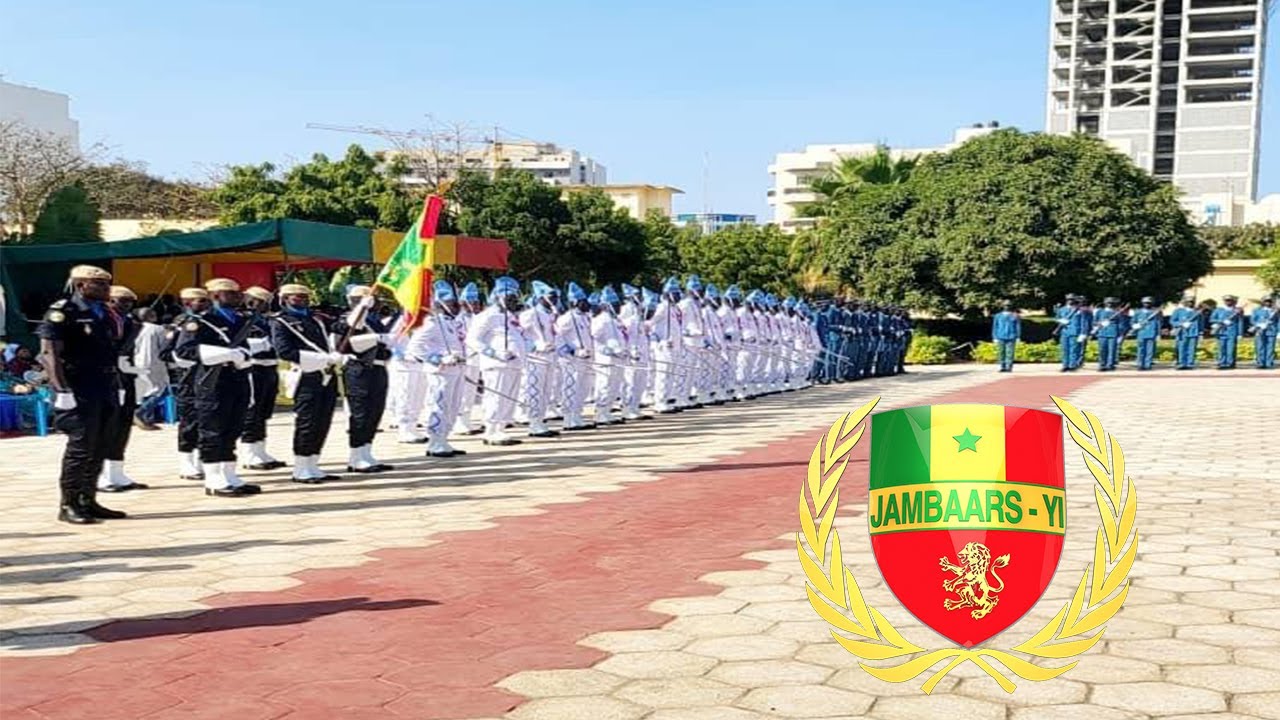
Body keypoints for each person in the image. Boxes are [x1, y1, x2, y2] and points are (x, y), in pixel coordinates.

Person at [37, 265, 129, 524]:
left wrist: (118, 384)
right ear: (80, 285)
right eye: (97, 284)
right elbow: (49, 353)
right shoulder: (64, 311)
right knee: (80, 447)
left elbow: (113, 351)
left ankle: (88, 499)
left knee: (101, 443)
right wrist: (61, 389)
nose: (105, 289)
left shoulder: (106, 313)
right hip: (78, 386)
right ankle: (68, 504)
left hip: (105, 384)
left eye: (105, 284)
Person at [174, 278, 262, 497]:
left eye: (236, 293)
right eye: (229, 294)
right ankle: (214, 478)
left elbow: (243, 347)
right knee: (213, 430)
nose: (236, 297)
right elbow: (184, 350)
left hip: (237, 379)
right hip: (213, 382)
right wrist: (225, 354)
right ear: (214, 297)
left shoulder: (240, 320)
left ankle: (229, 474)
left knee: (233, 427)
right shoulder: (200, 321)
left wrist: (244, 356)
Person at [271, 284, 344, 483]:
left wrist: (361, 308)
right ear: (285, 299)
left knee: (323, 421)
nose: (302, 300)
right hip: (305, 375)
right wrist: (324, 360)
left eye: (305, 297)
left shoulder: (315, 318)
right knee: (307, 422)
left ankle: (313, 463)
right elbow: (285, 351)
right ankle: (301, 467)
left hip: (326, 376)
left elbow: (342, 327)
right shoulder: (281, 322)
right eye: (297, 297)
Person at [331, 285, 394, 472]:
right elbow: (352, 328)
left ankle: (367, 452)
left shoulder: (374, 320)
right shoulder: (348, 318)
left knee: (375, 412)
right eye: (367, 300)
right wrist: (362, 308)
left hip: (378, 368)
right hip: (359, 369)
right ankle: (356, 456)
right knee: (360, 413)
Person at [407, 280, 469, 457]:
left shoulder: (452, 323)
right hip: (440, 372)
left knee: (453, 406)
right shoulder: (431, 323)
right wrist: (439, 358)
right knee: (439, 404)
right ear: (440, 303)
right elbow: (414, 348)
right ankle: (434, 441)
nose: (456, 306)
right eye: (451, 302)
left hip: (457, 370)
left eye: (456, 303)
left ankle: (444, 438)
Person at [97, 285, 149, 492]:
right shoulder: (102, 321)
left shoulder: (129, 323)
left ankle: (116, 473)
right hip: (106, 376)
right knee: (107, 426)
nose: (127, 306)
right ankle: (102, 475)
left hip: (124, 376)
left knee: (123, 424)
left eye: (129, 302)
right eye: (122, 301)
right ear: (109, 301)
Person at [467, 276, 526, 446]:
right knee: (496, 397)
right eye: (509, 297)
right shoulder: (487, 316)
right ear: (498, 296)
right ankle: (491, 430)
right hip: (497, 365)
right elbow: (472, 339)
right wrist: (494, 353)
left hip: (514, 364)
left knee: (509, 398)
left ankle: (501, 428)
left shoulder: (509, 316)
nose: (512, 301)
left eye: (514, 298)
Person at [238, 286, 286, 470]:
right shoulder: (244, 320)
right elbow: (243, 344)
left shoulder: (269, 320)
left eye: (265, 301)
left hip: (270, 367)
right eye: (257, 300)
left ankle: (260, 450)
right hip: (253, 368)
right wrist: (263, 344)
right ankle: (249, 453)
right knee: (252, 411)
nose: (261, 304)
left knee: (264, 411)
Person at [169, 288, 211, 479]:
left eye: (205, 301)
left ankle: (201, 459)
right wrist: (182, 360)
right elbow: (166, 351)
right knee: (189, 421)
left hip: (207, 377)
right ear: (187, 303)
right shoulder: (180, 323)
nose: (204, 304)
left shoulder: (209, 322)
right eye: (199, 301)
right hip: (188, 378)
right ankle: (186, 461)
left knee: (206, 420)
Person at [519, 281, 561, 437]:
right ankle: (534, 423)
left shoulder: (549, 315)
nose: (555, 299)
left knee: (546, 390)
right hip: (536, 358)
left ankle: (541, 420)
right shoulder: (529, 314)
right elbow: (519, 336)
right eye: (551, 297)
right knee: (535, 390)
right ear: (541, 297)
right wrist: (535, 346)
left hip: (550, 357)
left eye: (556, 296)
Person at [555, 281, 595, 430]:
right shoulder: (567, 318)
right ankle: (568, 418)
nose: (586, 304)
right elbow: (558, 338)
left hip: (587, 358)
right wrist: (573, 351)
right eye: (582, 301)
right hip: (572, 360)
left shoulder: (585, 317)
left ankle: (577, 415)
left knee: (584, 388)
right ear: (574, 302)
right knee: (572, 387)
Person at [451, 282, 484, 437]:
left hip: (476, 360)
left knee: (471, 393)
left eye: (476, 302)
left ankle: (466, 420)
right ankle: (459, 423)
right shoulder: (457, 320)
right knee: (463, 392)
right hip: (464, 360)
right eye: (472, 302)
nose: (475, 305)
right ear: (463, 303)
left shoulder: (479, 318)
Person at [590, 285, 626, 425]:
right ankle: (600, 413)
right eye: (615, 304)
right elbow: (594, 338)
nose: (619, 307)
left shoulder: (614, 320)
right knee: (604, 385)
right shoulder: (601, 319)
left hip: (617, 357)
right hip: (605, 358)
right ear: (606, 305)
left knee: (614, 385)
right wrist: (606, 349)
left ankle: (607, 411)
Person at [131, 306, 170, 427]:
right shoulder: (158, 329)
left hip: (137, 362)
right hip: (154, 362)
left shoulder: (135, 328)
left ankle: (147, 420)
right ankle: (140, 412)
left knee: (146, 391)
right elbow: (164, 347)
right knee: (161, 391)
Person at [651, 277, 684, 413]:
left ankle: (667, 399)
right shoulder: (662, 307)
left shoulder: (674, 309)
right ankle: (659, 402)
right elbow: (649, 324)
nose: (678, 295)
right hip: (664, 347)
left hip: (674, 347)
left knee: (671, 374)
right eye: (675, 293)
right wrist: (658, 341)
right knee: (663, 374)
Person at [619, 284, 651, 420]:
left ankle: (635, 407)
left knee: (640, 381)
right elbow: (623, 330)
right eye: (637, 295)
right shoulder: (627, 310)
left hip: (642, 352)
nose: (640, 298)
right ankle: (627, 408)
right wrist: (629, 349)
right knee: (630, 381)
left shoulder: (639, 315)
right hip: (632, 353)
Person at [1209, 295, 1243, 370]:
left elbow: (1240, 322)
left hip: (1232, 331)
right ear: (1224, 301)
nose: (1228, 302)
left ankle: (1230, 363)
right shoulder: (1218, 310)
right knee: (1221, 348)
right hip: (1221, 331)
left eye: (1230, 300)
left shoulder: (1237, 311)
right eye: (1227, 300)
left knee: (1231, 348)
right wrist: (1221, 321)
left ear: (1233, 301)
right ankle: (1222, 362)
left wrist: (1240, 333)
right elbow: (1212, 319)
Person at [1128, 297, 1162, 371]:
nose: (1147, 304)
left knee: (1150, 350)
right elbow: (1132, 322)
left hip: (1151, 333)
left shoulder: (1155, 313)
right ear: (1142, 303)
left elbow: (1158, 324)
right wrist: (1136, 326)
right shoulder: (1138, 312)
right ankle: (1140, 364)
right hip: (1141, 333)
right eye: (1145, 303)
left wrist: (1158, 334)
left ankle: (1147, 364)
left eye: (1149, 303)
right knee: (1141, 349)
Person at [1169, 294, 1202, 370]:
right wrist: (1181, 324)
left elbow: (1201, 323)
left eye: (1192, 302)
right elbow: (1172, 321)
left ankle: (1190, 364)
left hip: (1193, 332)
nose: (1190, 303)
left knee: (1191, 349)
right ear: (1185, 302)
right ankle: (1181, 363)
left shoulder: (1197, 312)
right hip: (1182, 332)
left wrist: (1200, 332)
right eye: (1188, 302)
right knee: (1181, 348)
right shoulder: (1178, 311)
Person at [1093, 297, 1123, 372]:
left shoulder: (1117, 312)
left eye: (1111, 303)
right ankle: (1102, 365)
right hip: (1102, 333)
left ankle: (1110, 365)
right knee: (1102, 350)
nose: (1109, 304)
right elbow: (1094, 322)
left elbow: (1121, 324)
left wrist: (1119, 334)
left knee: (1112, 350)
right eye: (1108, 303)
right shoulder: (1100, 312)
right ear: (1105, 303)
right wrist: (1099, 324)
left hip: (1113, 333)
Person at [991, 301, 1020, 372]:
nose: (1007, 307)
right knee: (1001, 352)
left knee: (1010, 352)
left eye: (1008, 305)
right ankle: (1002, 366)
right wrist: (994, 337)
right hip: (1000, 336)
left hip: (1011, 336)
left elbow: (1018, 327)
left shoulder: (1015, 316)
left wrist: (1018, 337)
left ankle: (1009, 367)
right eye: (1005, 305)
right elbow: (995, 327)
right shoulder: (998, 316)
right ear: (1002, 306)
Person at [1250, 295, 1277, 370]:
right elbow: (1252, 320)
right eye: (1266, 301)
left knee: (1270, 348)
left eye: (1269, 301)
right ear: (1263, 302)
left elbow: (1278, 321)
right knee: (1260, 347)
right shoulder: (1256, 310)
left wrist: (1278, 331)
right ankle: (1260, 363)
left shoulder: (1275, 311)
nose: (1268, 303)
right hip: (1260, 331)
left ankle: (1269, 363)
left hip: (1271, 331)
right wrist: (1259, 324)